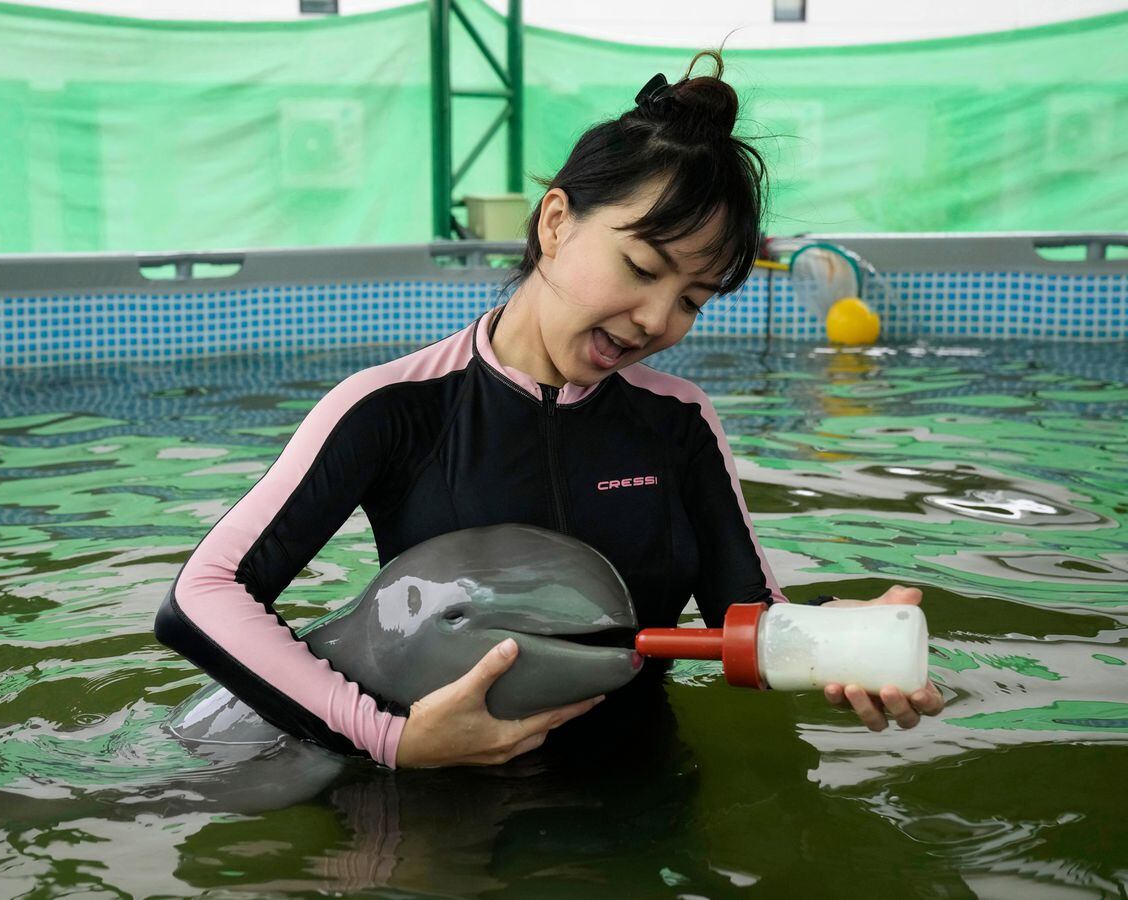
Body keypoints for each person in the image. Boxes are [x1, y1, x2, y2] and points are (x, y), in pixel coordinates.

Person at [154, 49, 944, 770]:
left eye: (693, 300)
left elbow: (747, 615)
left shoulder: (678, 422)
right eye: (641, 267)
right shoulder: (395, 407)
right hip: (437, 790)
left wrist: (838, 641)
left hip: (634, 781)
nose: (656, 320)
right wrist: (390, 739)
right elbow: (205, 595)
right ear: (557, 222)